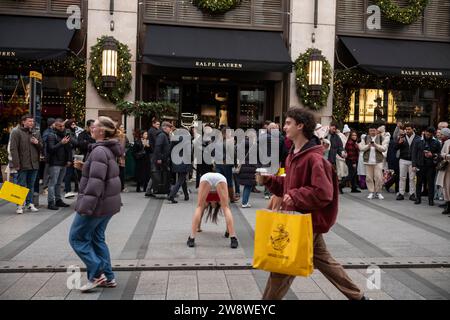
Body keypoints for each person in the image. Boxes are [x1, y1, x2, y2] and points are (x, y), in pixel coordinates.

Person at [256, 107, 366, 300]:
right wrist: (270, 181)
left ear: (300, 126)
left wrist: (296, 196)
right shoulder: (293, 154)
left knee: (282, 269)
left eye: (289, 123)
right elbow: (288, 186)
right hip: (300, 220)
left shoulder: (314, 158)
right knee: (326, 264)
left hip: (304, 223)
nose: (284, 127)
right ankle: (359, 298)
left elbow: (324, 192)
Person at [69, 116, 122, 292]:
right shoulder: (106, 150)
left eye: (95, 125)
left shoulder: (99, 151)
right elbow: (101, 174)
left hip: (97, 204)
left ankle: (97, 274)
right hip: (107, 204)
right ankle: (108, 277)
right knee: (97, 239)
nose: (92, 127)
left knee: (76, 238)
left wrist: (85, 207)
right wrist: (84, 166)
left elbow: (96, 183)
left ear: (102, 131)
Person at [187, 172, 238, 249]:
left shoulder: (206, 202)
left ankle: (192, 238)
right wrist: (227, 232)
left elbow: (200, 214)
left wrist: (198, 228)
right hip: (220, 178)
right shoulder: (218, 202)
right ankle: (233, 238)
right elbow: (227, 214)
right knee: (226, 208)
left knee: (199, 207)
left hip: (206, 178)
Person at [9, 114, 42, 214]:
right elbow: (13, 149)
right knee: (21, 185)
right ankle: (19, 205)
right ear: (23, 122)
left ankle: (29, 203)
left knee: (31, 185)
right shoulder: (16, 132)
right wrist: (16, 164)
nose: (31, 123)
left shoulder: (36, 132)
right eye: (29, 121)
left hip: (34, 164)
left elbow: (42, 147)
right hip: (22, 164)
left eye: (32, 121)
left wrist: (37, 143)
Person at [411, 127, 441, 206]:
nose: (428, 135)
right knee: (419, 182)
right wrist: (413, 165)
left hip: (431, 166)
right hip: (420, 165)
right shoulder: (418, 141)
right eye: (427, 134)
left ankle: (431, 200)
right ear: (424, 132)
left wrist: (433, 154)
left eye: (430, 134)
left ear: (432, 134)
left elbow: (439, 154)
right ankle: (418, 198)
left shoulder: (436, 142)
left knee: (430, 183)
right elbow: (414, 154)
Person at [46, 118, 72, 210]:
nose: (62, 127)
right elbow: (51, 149)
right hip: (55, 162)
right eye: (59, 126)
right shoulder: (51, 135)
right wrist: (61, 143)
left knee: (59, 183)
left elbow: (69, 148)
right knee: (52, 183)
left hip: (64, 162)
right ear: (55, 126)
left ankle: (58, 200)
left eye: (63, 126)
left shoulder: (65, 134)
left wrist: (69, 160)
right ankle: (51, 202)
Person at [359, 125, 386, 200]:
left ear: (376, 131)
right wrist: (369, 145)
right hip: (368, 161)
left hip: (378, 161)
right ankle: (371, 192)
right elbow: (361, 148)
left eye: (374, 130)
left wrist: (375, 145)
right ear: (369, 131)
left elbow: (384, 149)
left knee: (378, 177)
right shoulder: (365, 138)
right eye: (371, 131)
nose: (372, 132)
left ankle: (378, 192)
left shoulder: (380, 138)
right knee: (369, 177)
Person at [395, 123, 420, 201]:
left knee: (412, 178)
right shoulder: (402, 137)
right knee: (402, 177)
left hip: (413, 160)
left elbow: (419, 150)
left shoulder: (418, 138)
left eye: (409, 129)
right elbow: (395, 148)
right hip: (403, 159)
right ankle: (401, 193)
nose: (408, 131)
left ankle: (412, 193)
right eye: (406, 129)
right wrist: (399, 143)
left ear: (413, 129)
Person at [167, 128, 191, 203]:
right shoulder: (186, 140)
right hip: (184, 161)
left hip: (176, 161)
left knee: (182, 178)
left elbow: (170, 150)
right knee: (181, 179)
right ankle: (171, 195)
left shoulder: (174, 139)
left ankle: (186, 195)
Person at [238, 130, 259, 208]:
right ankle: (244, 202)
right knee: (248, 185)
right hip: (250, 167)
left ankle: (245, 201)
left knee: (247, 185)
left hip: (244, 166)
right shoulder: (253, 144)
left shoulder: (241, 143)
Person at [436, 128, 450, 215]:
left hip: (448, 169)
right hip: (445, 168)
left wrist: (443, 156)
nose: (440, 136)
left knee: (448, 187)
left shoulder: (448, 142)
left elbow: (446, 154)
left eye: (442, 134)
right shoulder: (445, 142)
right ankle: (448, 205)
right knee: (445, 187)